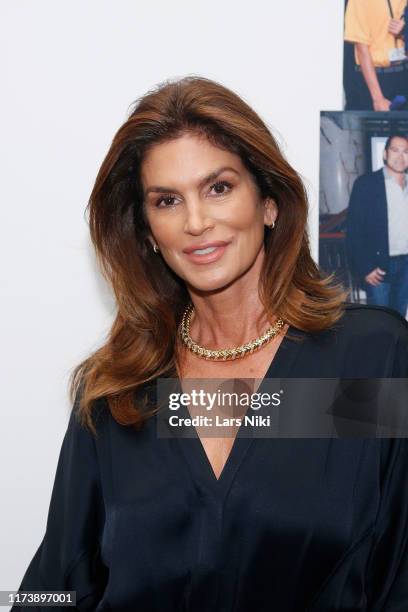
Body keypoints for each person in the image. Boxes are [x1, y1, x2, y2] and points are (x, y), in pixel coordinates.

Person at [12, 77, 408, 611]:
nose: (196, 222)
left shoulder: (365, 360)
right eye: (167, 200)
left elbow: (397, 571)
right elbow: (55, 587)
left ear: (269, 202)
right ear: (149, 231)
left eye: (219, 187)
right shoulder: (121, 394)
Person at [346, 134, 408, 318]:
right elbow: (354, 230)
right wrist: (365, 267)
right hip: (379, 265)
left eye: (406, 151)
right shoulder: (366, 184)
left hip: (406, 265)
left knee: (399, 318)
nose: (400, 156)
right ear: (384, 153)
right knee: (379, 319)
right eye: (395, 150)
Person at [344, 0, 408, 110]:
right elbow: (361, 48)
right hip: (376, 79)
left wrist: (403, 33)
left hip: (403, 74)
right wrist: (378, 98)